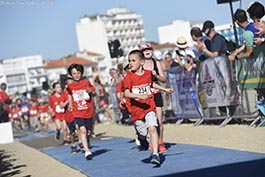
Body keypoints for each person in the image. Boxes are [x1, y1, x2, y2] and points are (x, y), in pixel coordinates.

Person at [123, 49, 173, 165]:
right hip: (137, 110)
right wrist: (139, 96)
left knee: (152, 128)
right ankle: (141, 138)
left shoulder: (148, 73)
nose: (130, 63)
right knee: (143, 132)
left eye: (133, 61)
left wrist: (164, 89)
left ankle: (155, 154)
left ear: (141, 62)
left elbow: (151, 84)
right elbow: (126, 93)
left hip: (149, 106)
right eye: (129, 61)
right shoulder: (129, 77)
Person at [138, 42, 168, 153]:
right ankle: (150, 140)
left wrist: (156, 75)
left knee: (159, 120)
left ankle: (160, 142)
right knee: (148, 121)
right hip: (144, 95)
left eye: (149, 49)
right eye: (144, 50)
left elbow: (164, 79)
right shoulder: (140, 65)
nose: (147, 51)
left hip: (156, 93)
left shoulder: (157, 63)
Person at [67, 63, 96, 160]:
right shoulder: (70, 86)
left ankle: (86, 142)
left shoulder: (86, 82)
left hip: (88, 110)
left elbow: (93, 91)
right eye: (74, 73)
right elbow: (69, 94)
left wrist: (90, 91)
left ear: (81, 73)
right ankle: (87, 150)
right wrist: (70, 104)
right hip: (77, 112)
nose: (76, 75)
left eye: (78, 73)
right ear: (71, 75)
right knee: (82, 130)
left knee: (88, 131)